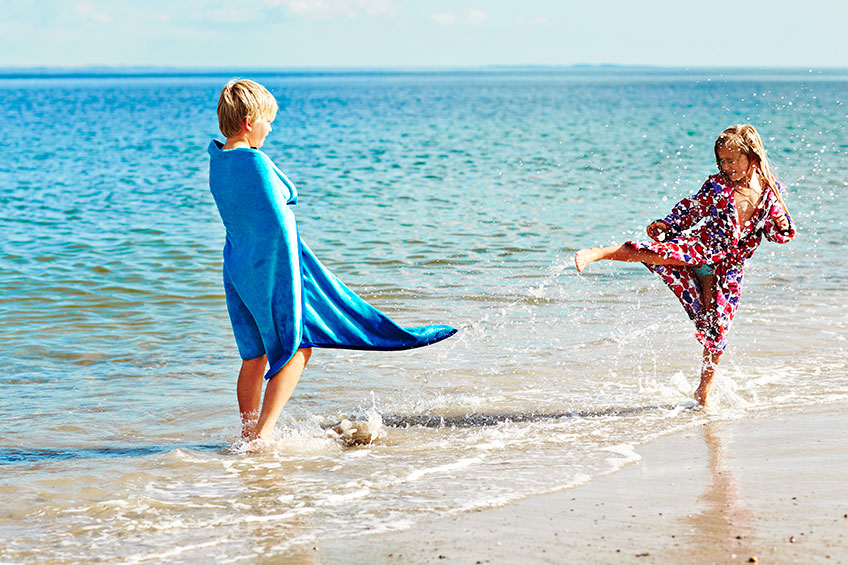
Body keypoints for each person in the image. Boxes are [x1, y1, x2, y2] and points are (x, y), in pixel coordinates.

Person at [208, 79, 457, 444]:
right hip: (272, 266)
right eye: (268, 121)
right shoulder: (256, 161)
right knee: (298, 345)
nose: (270, 128)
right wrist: (293, 272)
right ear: (248, 121)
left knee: (254, 355)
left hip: (237, 265)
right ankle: (263, 435)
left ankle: (247, 436)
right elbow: (284, 207)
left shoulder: (218, 161)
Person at [574, 125, 795, 406]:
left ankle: (703, 390)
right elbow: (693, 208)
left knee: (717, 329)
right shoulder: (718, 185)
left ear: (752, 159)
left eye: (731, 161)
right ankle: (600, 253)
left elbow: (776, 233)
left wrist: (783, 226)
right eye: (722, 161)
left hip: (728, 267)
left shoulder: (769, 190)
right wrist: (668, 223)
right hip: (701, 247)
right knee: (654, 252)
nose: (726, 167)